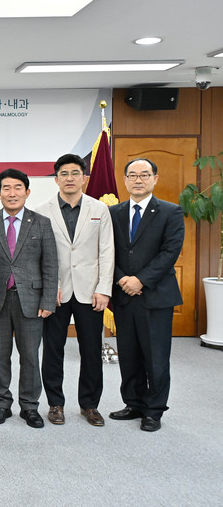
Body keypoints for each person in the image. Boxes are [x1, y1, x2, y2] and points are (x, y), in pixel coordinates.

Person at [0, 168, 57, 428]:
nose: (12, 193)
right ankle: (1, 404)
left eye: (18, 188)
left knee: (30, 356)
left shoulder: (41, 223)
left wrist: (48, 300)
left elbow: (50, 265)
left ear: (27, 192)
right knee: (0, 355)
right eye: (6, 188)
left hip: (31, 300)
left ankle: (30, 406)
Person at [35, 154, 114, 427]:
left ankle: (90, 405)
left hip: (90, 292)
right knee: (52, 350)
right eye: (64, 174)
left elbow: (107, 251)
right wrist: (50, 287)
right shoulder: (42, 210)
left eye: (75, 173)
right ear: (56, 179)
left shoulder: (99, 209)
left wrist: (104, 288)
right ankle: (55, 404)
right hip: (55, 293)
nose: (69, 178)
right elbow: (39, 255)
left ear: (84, 178)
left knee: (91, 350)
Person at [109, 158, 184, 432]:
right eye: (132, 175)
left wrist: (141, 280)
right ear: (125, 180)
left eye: (144, 174)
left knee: (156, 357)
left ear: (155, 178)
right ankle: (133, 403)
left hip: (155, 296)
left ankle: (154, 410)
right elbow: (106, 250)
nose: (138, 180)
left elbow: (170, 252)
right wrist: (121, 278)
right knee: (129, 355)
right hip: (124, 295)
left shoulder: (170, 212)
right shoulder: (113, 213)